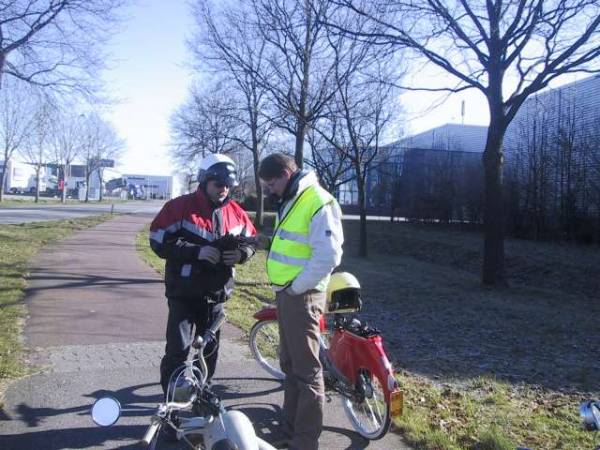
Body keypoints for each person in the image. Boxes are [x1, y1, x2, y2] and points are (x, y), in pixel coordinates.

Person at [149, 153, 257, 407]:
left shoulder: (236, 213)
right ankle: (171, 408)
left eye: (228, 185)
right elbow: (157, 240)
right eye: (218, 184)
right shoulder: (179, 207)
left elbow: (252, 240)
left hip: (216, 296)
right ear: (204, 180)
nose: (224, 190)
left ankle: (201, 399)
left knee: (209, 353)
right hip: (184, 295)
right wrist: (195, 252)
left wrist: (242, 254)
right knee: (177, 352)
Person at [257, 153, 344, 450]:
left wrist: (297, 288)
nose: (270, 190)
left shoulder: (318, 200)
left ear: (285, 173)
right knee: (290, 364)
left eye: (271, 183)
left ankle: (304, 442)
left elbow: (329, 256)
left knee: (306, 371)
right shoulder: (294, 197)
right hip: (289, 293)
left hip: (301, 295)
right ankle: (289, 430)